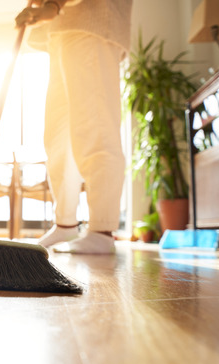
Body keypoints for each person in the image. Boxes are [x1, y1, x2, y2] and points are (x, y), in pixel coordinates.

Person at [15, 0, 133, 254]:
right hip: (61, 30)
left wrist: (54, 4)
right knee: (58, 137)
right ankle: (65, 224)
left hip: (93, 23)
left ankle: (102, 229)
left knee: (95, 125)